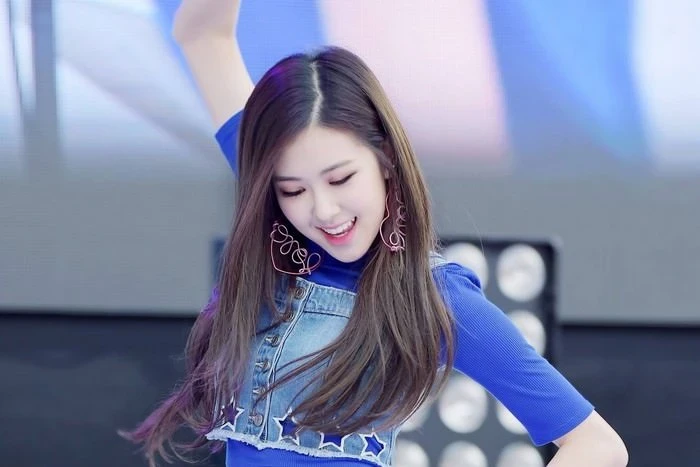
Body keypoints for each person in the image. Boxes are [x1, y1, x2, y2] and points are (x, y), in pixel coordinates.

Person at [121, 1, 629, 466]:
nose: (323, 210)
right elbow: (202, 34)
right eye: (293, 190)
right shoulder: (268, 208)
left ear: (385, 161)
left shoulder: (435, 295)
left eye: (341, 179)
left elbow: (597, 445)